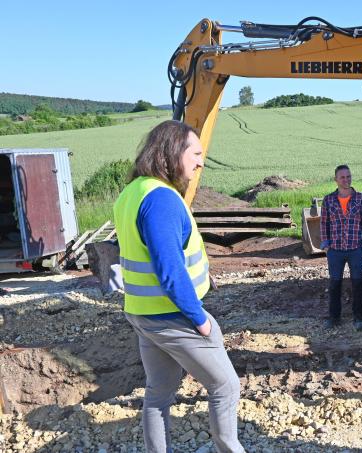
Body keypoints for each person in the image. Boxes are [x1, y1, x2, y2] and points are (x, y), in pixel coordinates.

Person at [113, 120, 243, 453]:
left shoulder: (133, 192)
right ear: (172, 152)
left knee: (158, 393)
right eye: (195, 154)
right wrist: (199, 319)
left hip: (142, 312)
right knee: (226, 386)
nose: (201, 162)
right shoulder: (162, 200)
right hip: (172, 315)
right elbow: (170, 271)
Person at [319, 164, 362, 330]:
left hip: (355, 249)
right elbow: (324, 223)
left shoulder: (361, 199)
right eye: (342, 177)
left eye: (348, 176)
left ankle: (358, 318)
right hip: (335, 250)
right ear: (335, 179)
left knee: (357, 284)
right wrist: (326, 245)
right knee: (335, 284)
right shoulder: (328, 200)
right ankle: (334, 318)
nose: (346, 180)